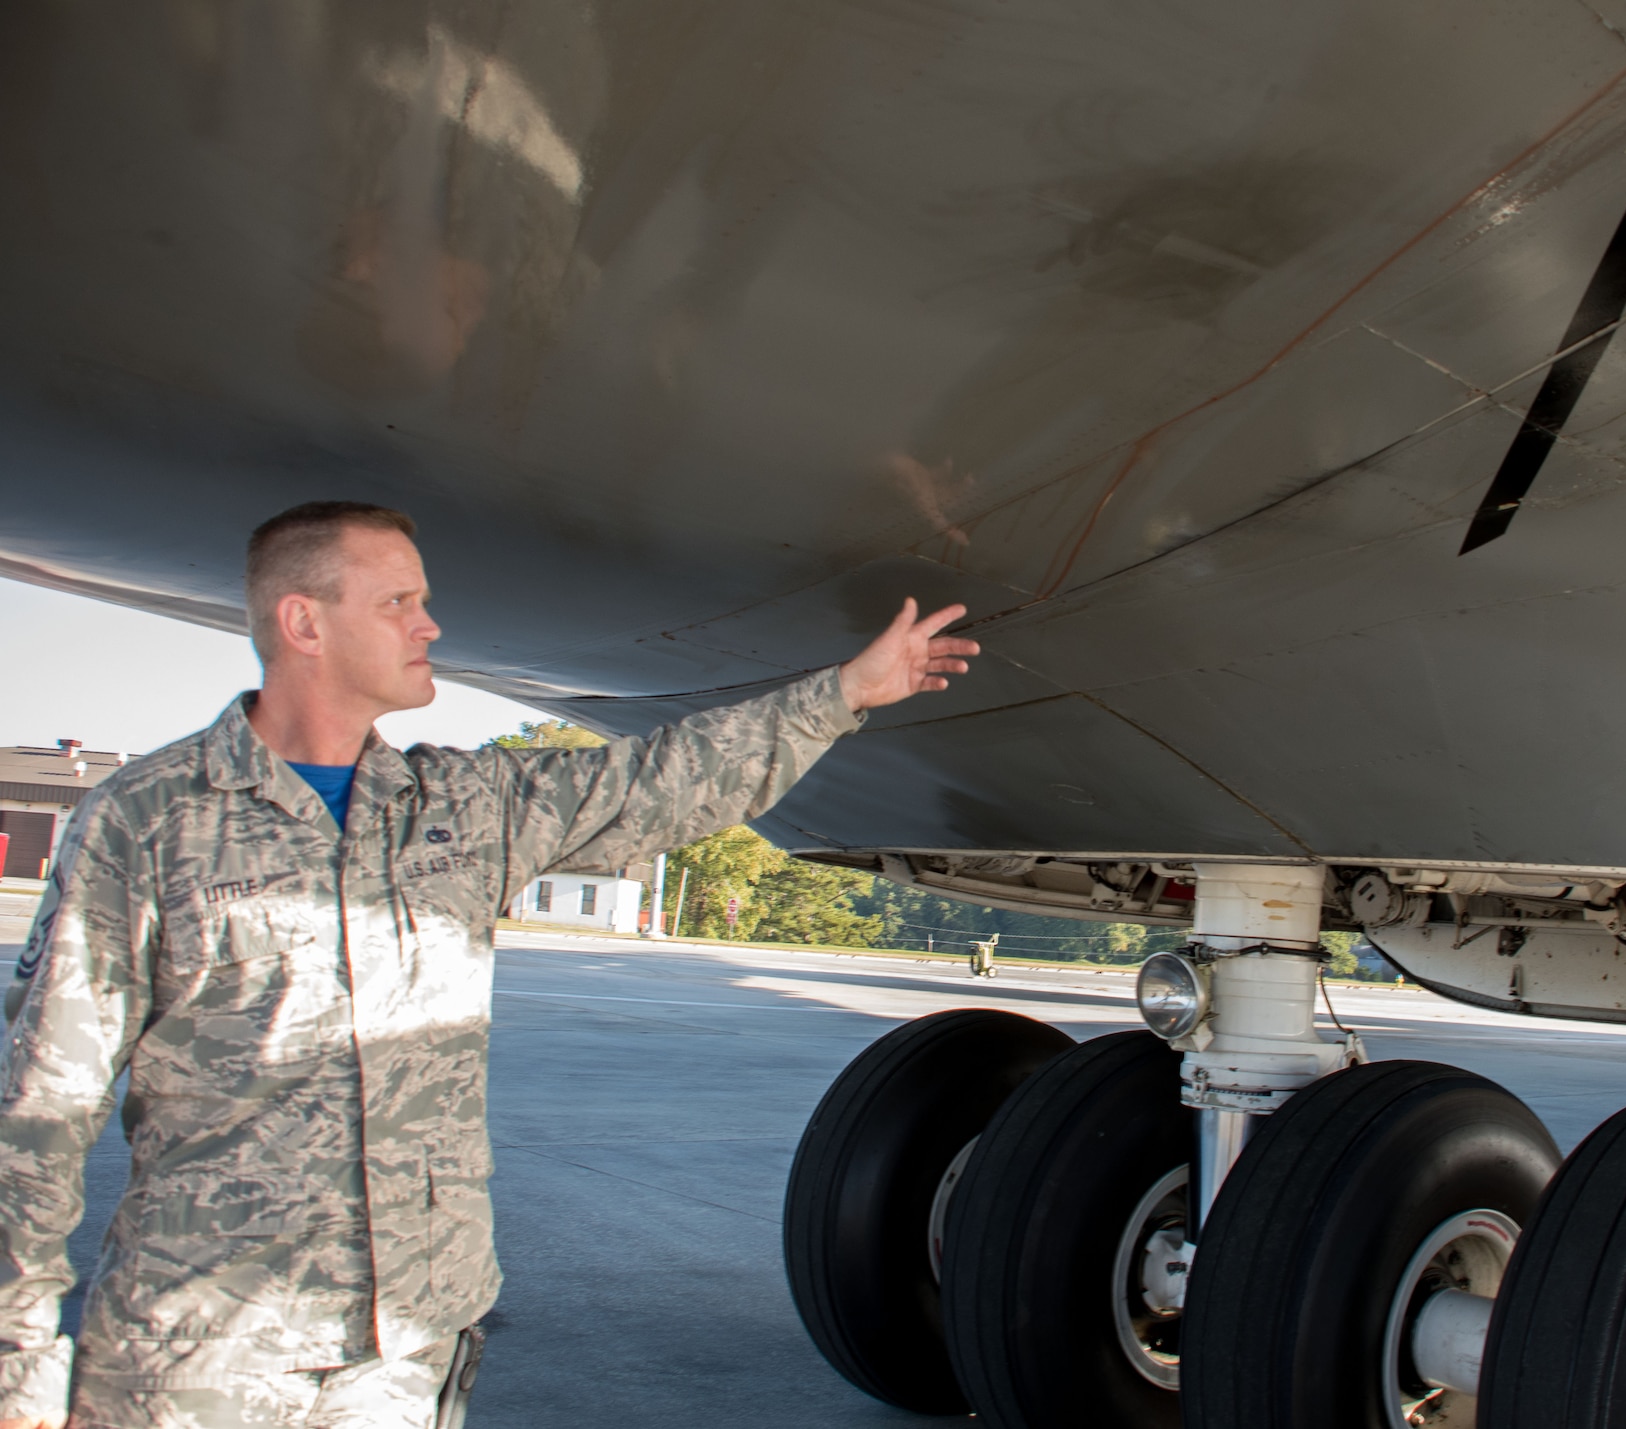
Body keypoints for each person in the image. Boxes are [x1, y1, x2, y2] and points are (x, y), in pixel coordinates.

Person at [0, 502, 978, 1429]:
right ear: (303, 621)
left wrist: (844, 692)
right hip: (205, 1353)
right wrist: (19, 1358)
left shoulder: (460, 807)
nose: (430, 623)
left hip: (406, 1352)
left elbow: (658, 782)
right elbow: (44, 1100)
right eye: (398, 602)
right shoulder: (146, 821)